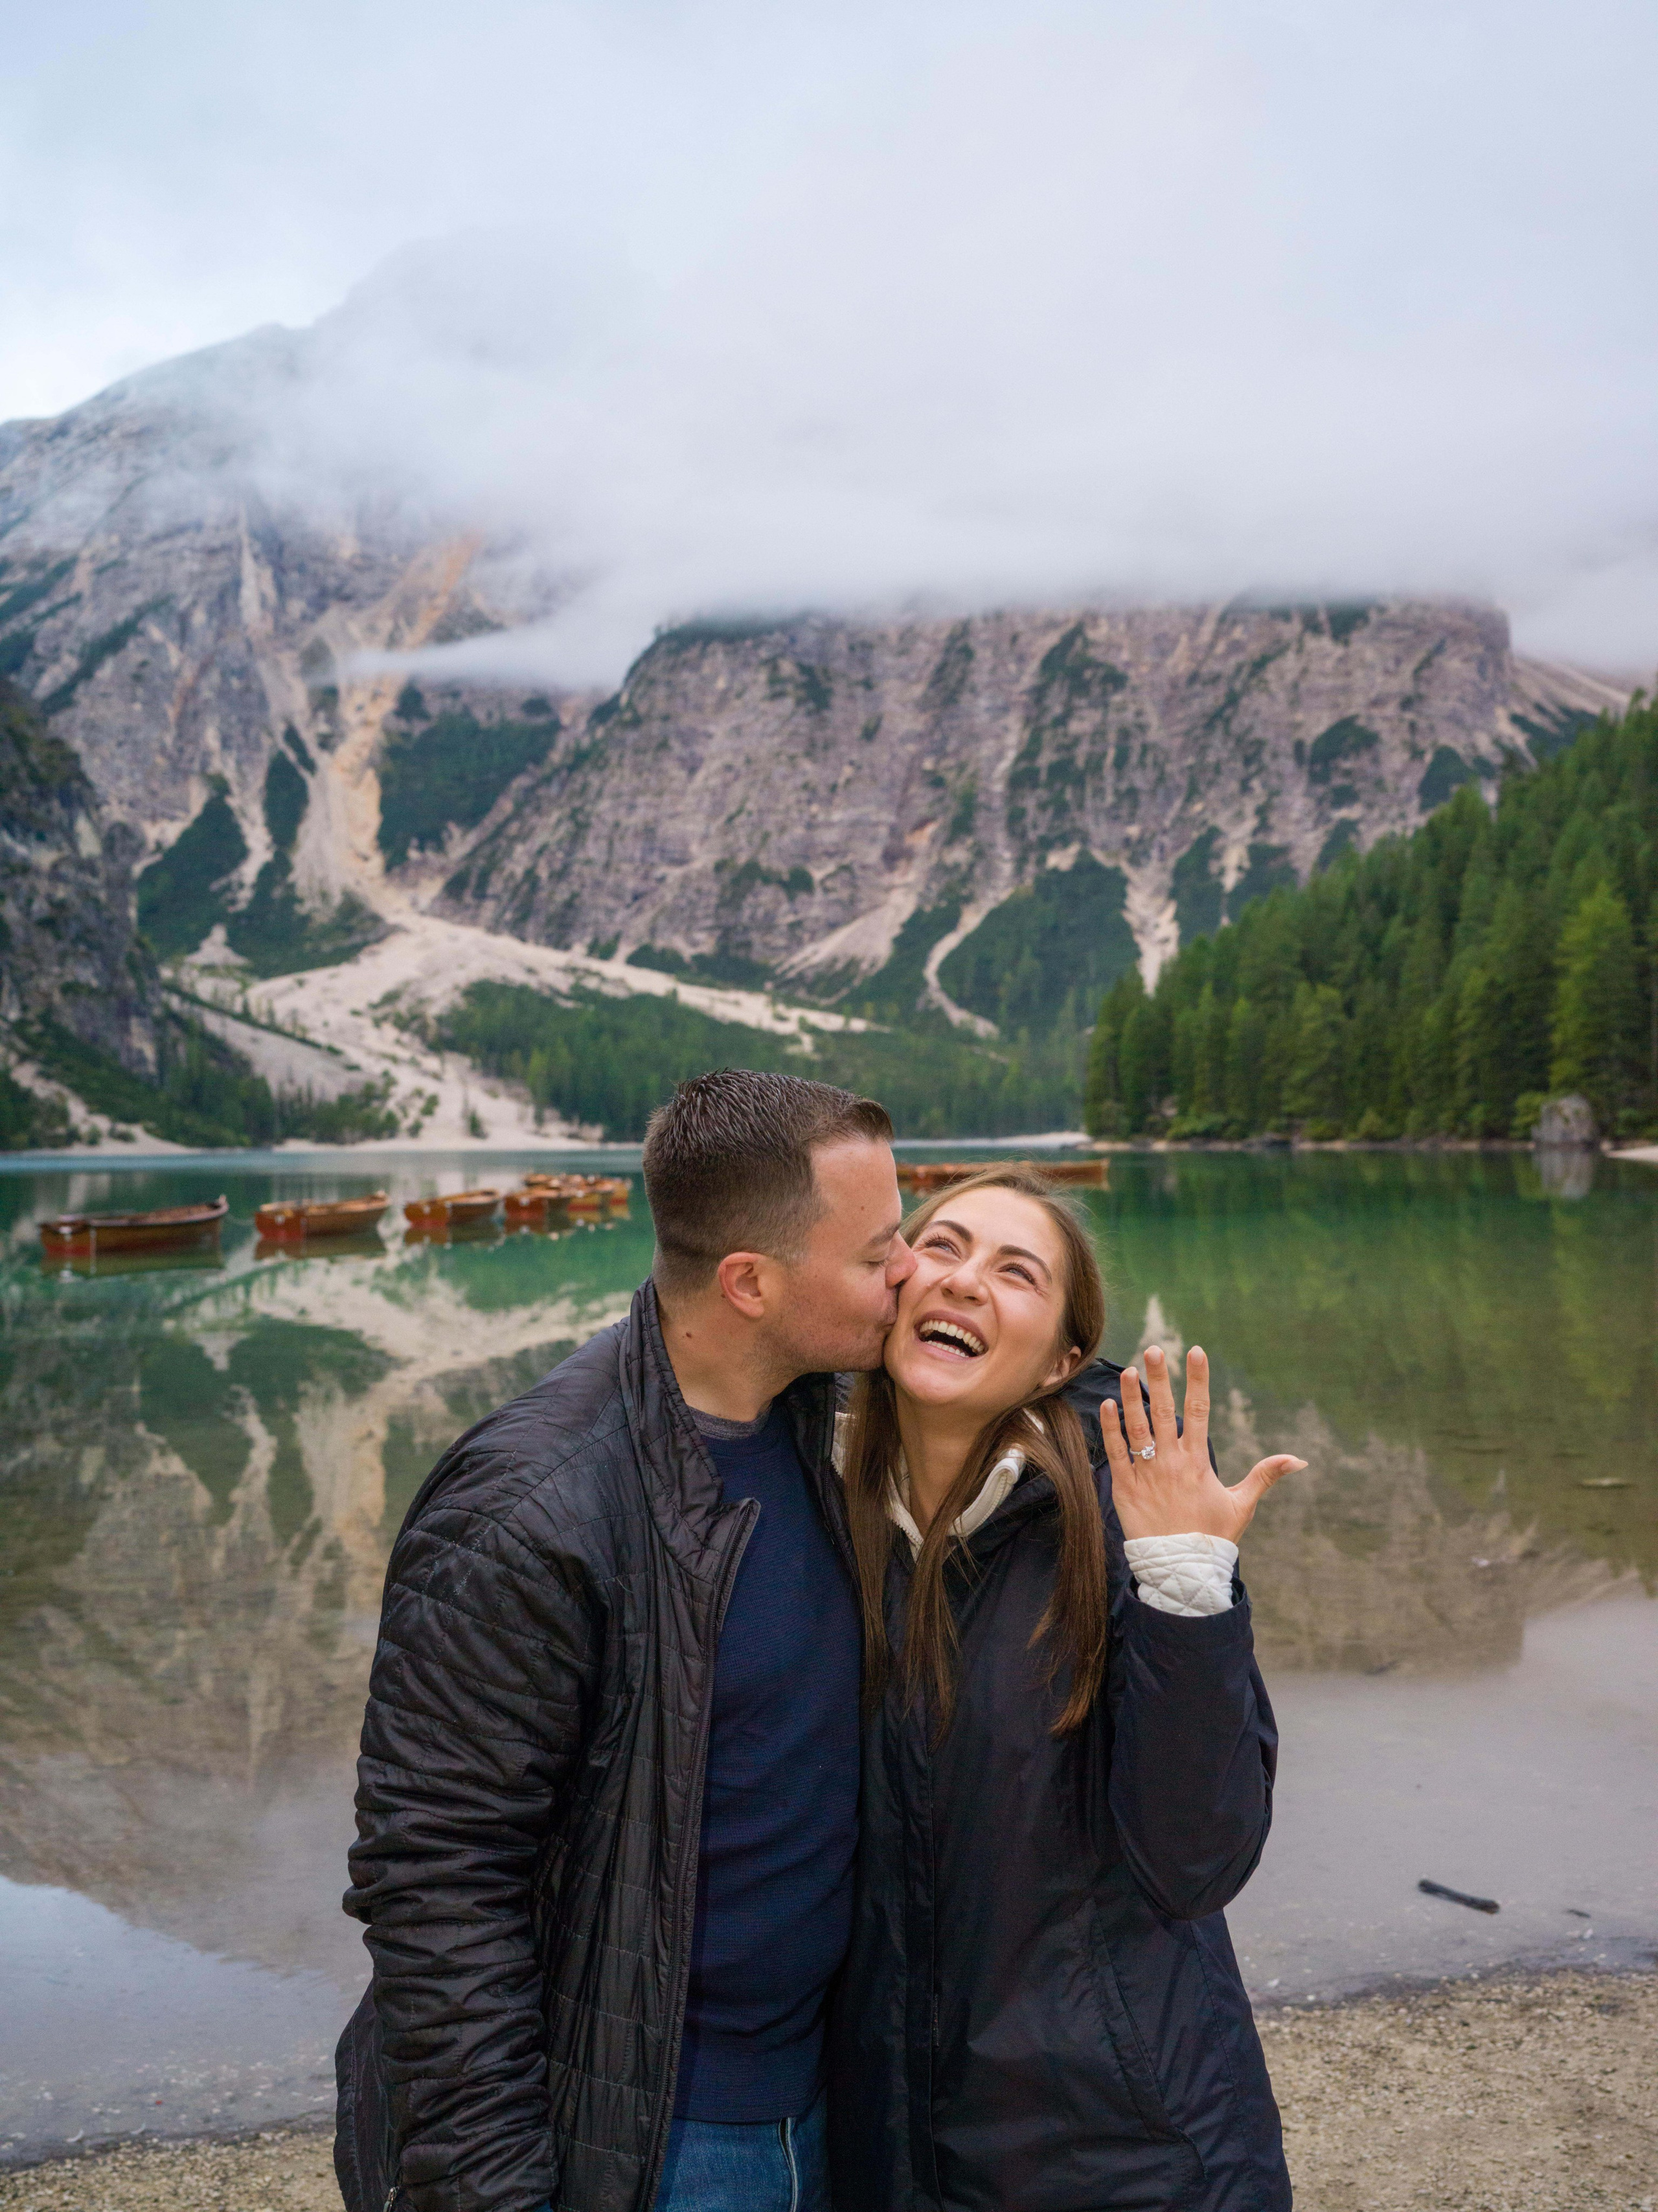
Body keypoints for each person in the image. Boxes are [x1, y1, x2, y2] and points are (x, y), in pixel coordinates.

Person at [335, 1068, 916, 2212]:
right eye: (876, 1253)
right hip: (643, 2140)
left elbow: (1017, 1366)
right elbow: (436, 1885)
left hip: (824, 2100)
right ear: (749, 1283)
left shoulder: (817, 1420)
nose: (909, 1270)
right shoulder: (527, 1510)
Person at [829, 1164, 1304, 2211]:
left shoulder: (1125, 1529)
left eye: (1018, 1273)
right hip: (889, 2146)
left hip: (1118, 2152)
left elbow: (1197, 1862)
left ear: (1061, 1360)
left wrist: (1187, 1585)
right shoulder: (819, 1508)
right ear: (891, 1282)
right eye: (942, 1247)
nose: (965, 1281)